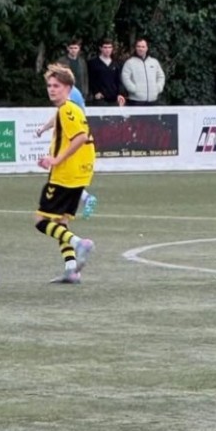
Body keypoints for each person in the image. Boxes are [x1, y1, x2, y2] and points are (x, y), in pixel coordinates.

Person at [35, 64, 96, 284]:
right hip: (78, 174)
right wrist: (51, 158)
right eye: (50, 85)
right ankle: (71, 269)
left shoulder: (66, 110)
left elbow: (80, 137)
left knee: (41, 221)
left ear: (68, 88)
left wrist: (57, 160)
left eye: (57, 86)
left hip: (65, 174)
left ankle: (80, 243)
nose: (52, 89)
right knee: (61, 221)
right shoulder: (71, 108)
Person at [35, 82, 98, 219]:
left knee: (64, 179)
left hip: (72, 140)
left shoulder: (69, 97)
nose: (52, 88)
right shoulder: (73, 93)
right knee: (72, 181)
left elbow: (62, 116)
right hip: (81, 142)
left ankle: (85, 198)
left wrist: (44, 128)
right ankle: (81, 201)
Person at [121, 38, 165, 105]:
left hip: (153, 100)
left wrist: (158, 88)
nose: (140, 49)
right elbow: (125, 77)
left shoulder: (154, 62)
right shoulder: (129, 63)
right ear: (135, 48)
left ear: (147, 48)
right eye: (138, 46)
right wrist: (134, 89)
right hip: (136, 101)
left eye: (143, 47)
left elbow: (161, 76)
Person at [87, 38, 126, 106]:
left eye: (109, 47)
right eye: (105, 47)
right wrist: (96, 92)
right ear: (100, 48)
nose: (107, 50)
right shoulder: (93, 63)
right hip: (100, 99)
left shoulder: (116, 63)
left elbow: (119, 80)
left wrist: (120, 94)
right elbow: (91, 80)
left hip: (114, 99)